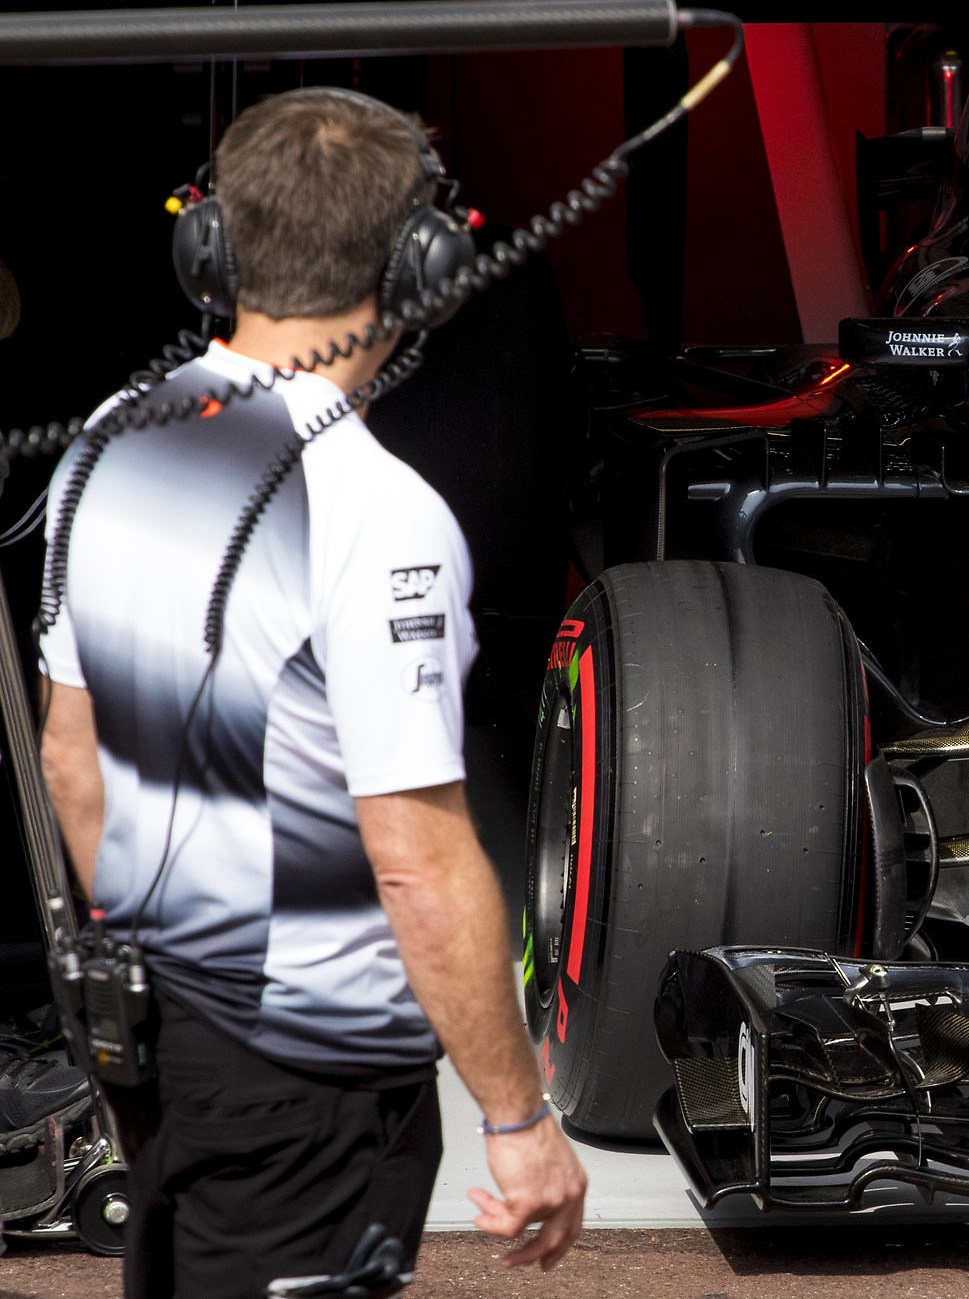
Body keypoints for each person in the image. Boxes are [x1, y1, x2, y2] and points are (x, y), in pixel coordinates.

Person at [34, 88, 586, 1294]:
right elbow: (417, 858)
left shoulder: (110, 442)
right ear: (424, 265)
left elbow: (71, 756)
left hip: (154, 1031)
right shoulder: (378, 517)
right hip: (310, 1079)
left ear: (214, 249)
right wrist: (516, 1114)